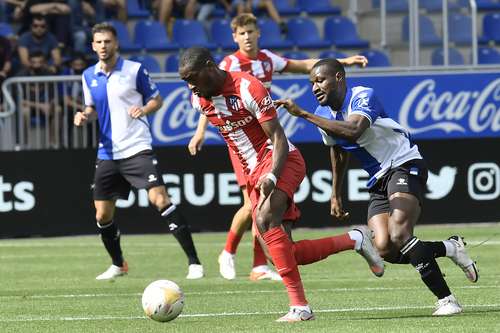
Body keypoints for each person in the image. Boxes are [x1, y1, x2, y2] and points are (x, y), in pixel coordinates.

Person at [179, 47, 384, 322]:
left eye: (193, 78)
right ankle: (354, 240)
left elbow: (278, 138)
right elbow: (217, 121)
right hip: (253, 173)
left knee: (264, 219)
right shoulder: (198, 99)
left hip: (281, 160)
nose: (190, 85)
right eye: (186, 81)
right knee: (282, 254)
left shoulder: (247, 87)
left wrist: (272, 176)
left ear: (209, 67)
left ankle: (300, 308)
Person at [275, 58, 479, 316]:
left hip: (404, 164)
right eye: (311, 82)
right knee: (385, 248)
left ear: (339, 77)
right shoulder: (324, 115)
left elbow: (353, 130)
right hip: (378, 179)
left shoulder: (362, 96)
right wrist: (335, 193)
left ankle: (447, 300)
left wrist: (303, 114)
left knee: (400, 234)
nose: (315, 87)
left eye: (320, 80)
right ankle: (450, 248)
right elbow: (338, 151)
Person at [188, 13, 368, 281]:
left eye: (251, 31)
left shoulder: (267, 60)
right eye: (242, 33)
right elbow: (209, 101)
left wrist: (342, 61)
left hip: (267, 137)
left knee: (263, 210)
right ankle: (228, 252)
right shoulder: (227, 64)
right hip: (243, 142)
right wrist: (199, 132)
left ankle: (259, 266)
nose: (247, 37)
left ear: (258, 33)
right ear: (234, 37)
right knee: (253, 208)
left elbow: (303, 64)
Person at [74, 23, 204, 280]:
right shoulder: (89, 75)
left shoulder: (134, 70)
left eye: (107, 41)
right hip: (108, 153)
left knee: (160, 200)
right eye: (98, 42)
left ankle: (194, 262)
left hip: (137, 148)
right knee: (102, 214)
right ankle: (118, 263)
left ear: (116, 43)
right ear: (92, 45)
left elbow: (157, 99)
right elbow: (91, 107)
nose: (103, 46)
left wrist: (143, 110)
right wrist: (84, 116)